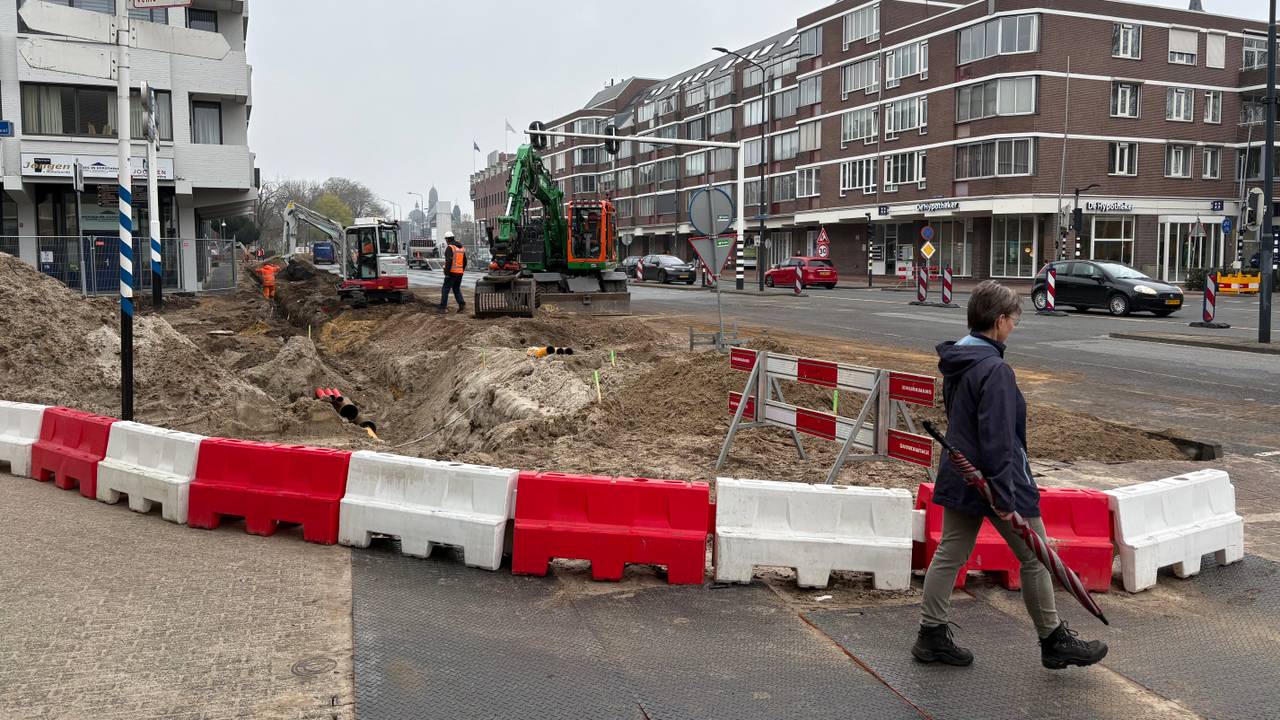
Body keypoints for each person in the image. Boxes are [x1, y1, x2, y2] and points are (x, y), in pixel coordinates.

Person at [912, 280, 1107, 670]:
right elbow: (998, 439)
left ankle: (930, 636)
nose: (1014, 328)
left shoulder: (958, 359)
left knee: (951, 552)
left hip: (960, 472)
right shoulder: (995, 370)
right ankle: (1053, 641)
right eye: (1014, 321)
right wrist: (1003, 495)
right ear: (1000, 321)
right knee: (1035, 558)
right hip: (1000, 479)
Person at [438, 232, 466, 314]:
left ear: (448, 239)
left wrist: (447, 273)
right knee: (456, 288)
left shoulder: (450, 248)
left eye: (446, 239)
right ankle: (462, 304)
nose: (446, 241)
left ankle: (443, 307)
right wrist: (461, 270)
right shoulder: (461, 248)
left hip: (452, 272)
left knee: (445, 289)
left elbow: (448, 262)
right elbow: (465, 261)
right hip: (459, 273)